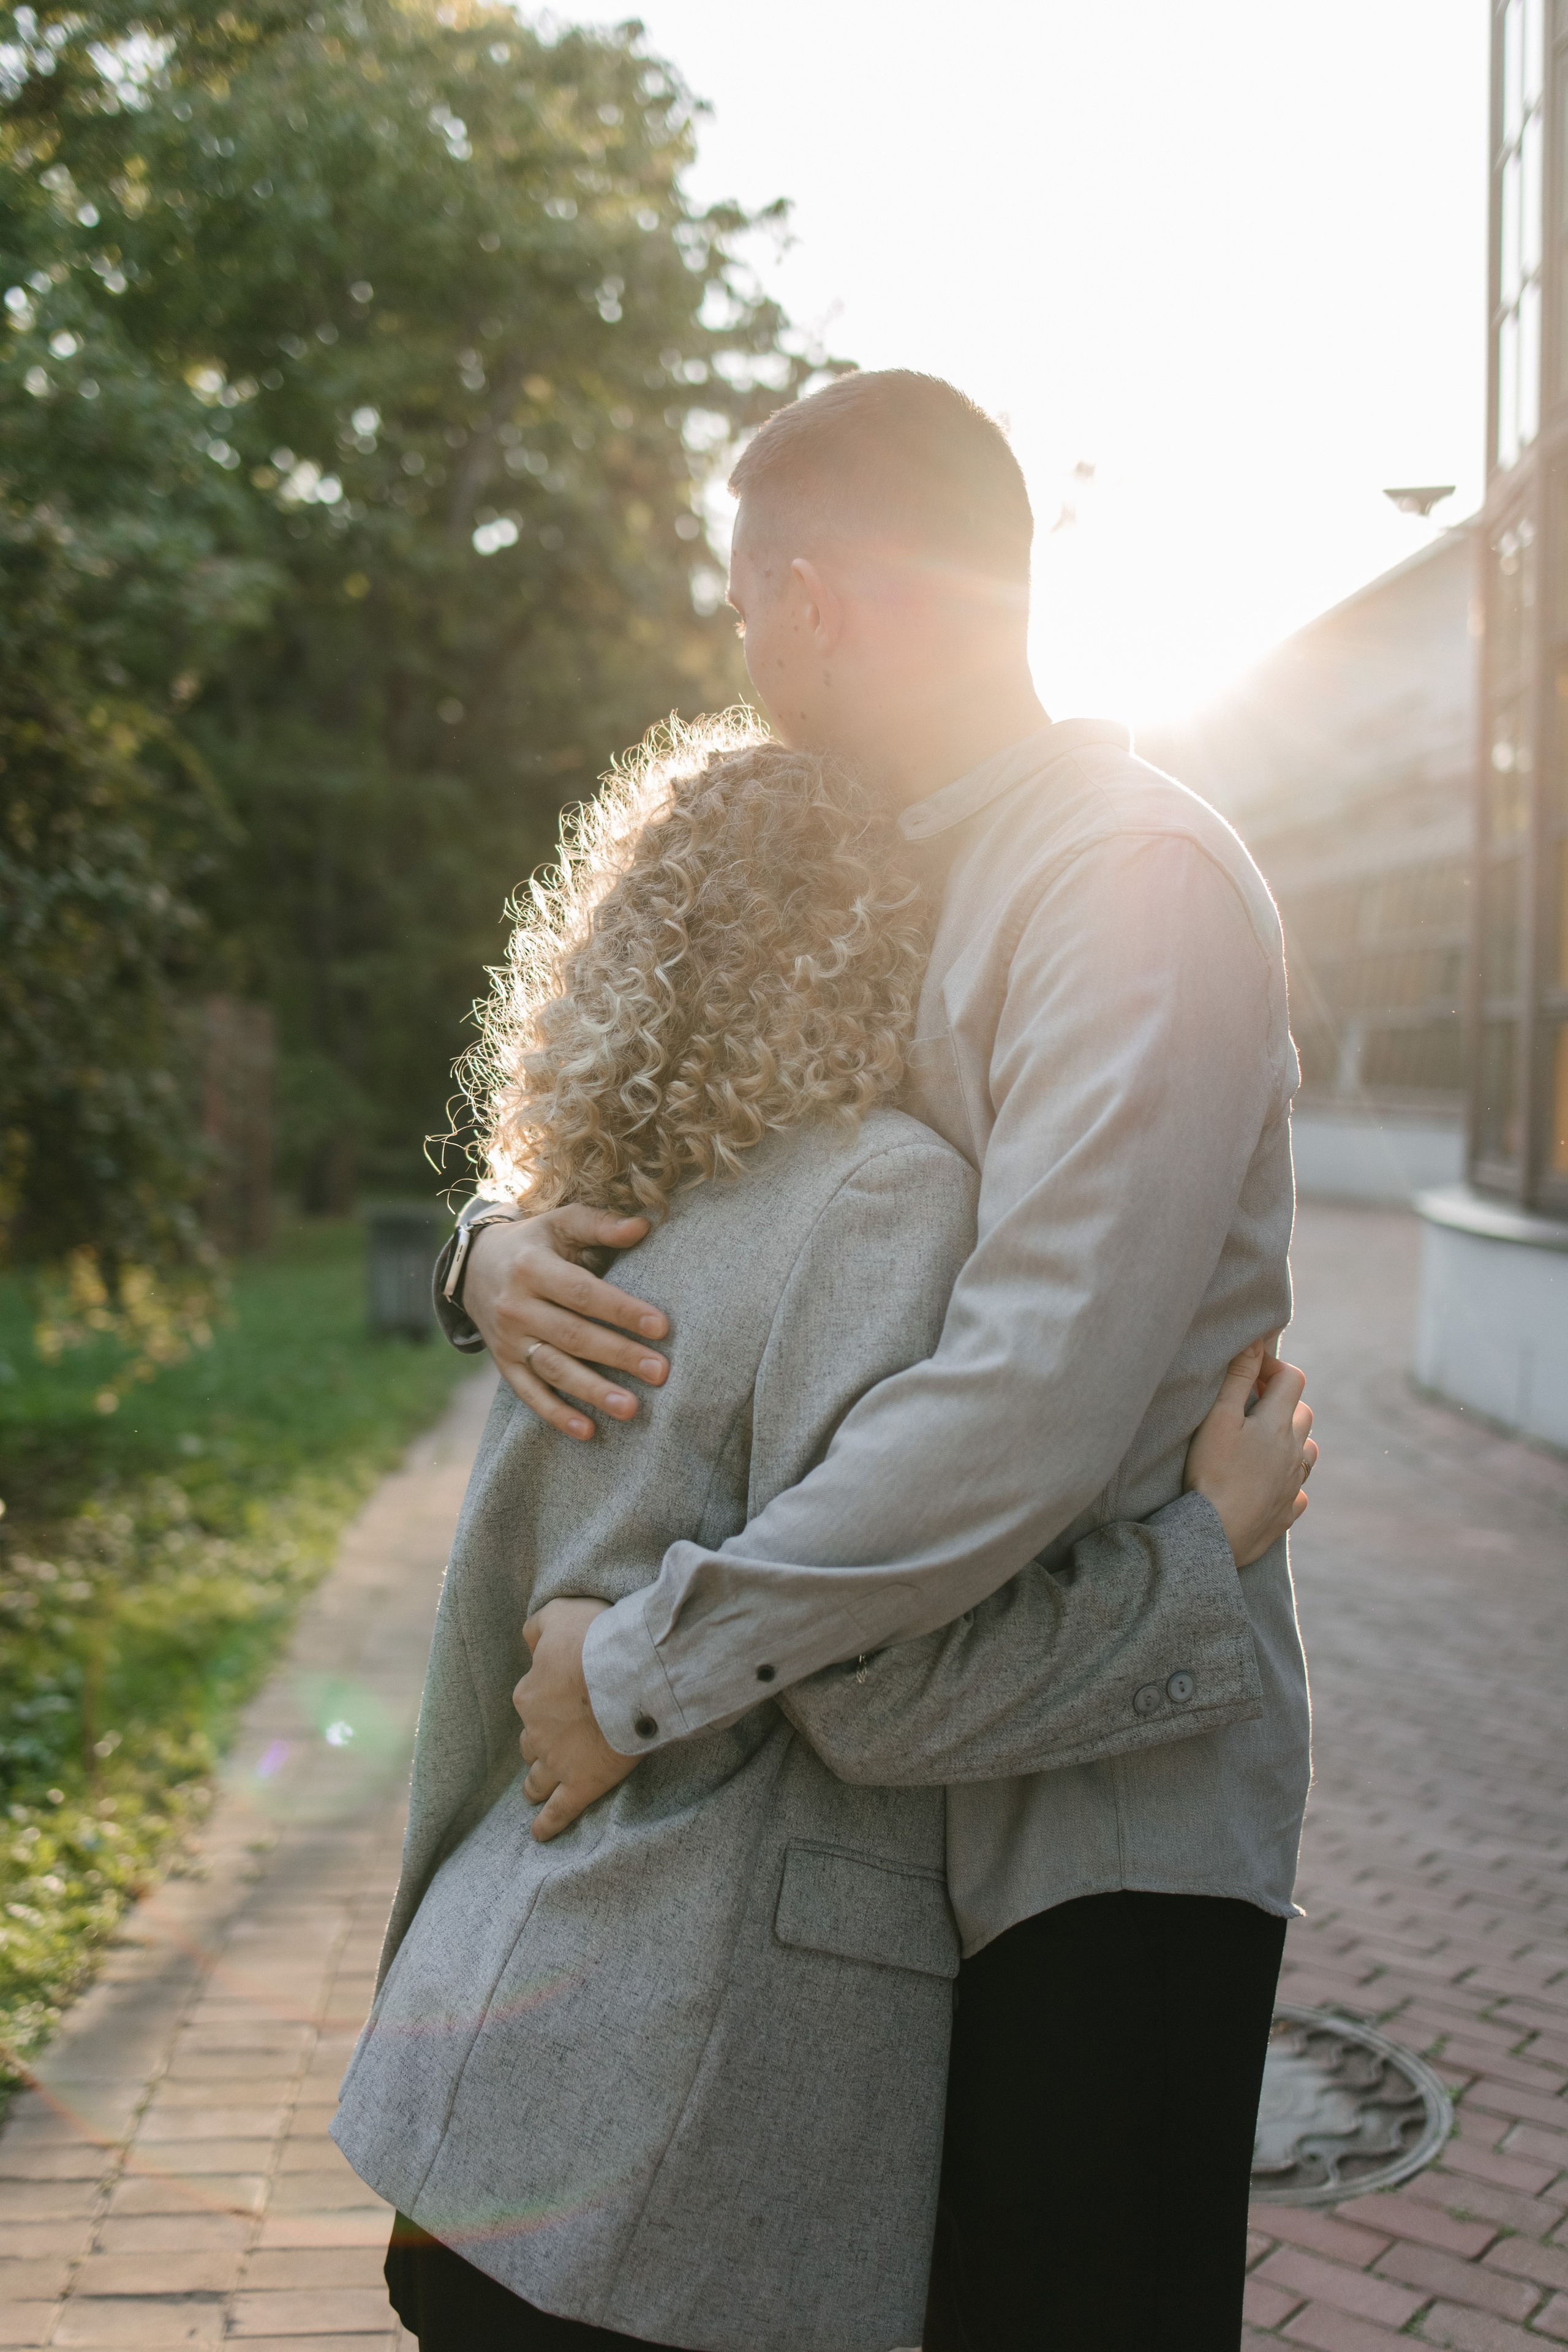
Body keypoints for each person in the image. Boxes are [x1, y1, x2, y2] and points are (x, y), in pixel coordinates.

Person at [453, 372, 1315, 2349]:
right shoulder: (907, 860)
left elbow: (1026, 1402)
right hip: (902, 1789)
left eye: (746, 601)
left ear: (827, 600)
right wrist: (482, 1250)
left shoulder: (1127, 880)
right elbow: (695, 1159)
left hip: (1102, 1822)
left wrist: (641, 1670)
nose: (738, 651)